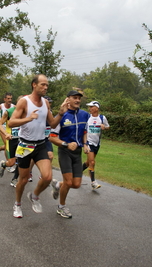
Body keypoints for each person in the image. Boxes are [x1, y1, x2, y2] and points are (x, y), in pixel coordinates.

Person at [8, 74, 67, 218]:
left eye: (47, 85)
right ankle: (17, 204)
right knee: (23, 179)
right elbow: (11, 123)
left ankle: (34, 196)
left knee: (47, 177)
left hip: (40, 144)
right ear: (34, 85)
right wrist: (29, 118)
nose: (46, 87)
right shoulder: (24, 102)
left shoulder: (46, 103)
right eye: (43, 85)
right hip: (25, 145)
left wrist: (60, 114)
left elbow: (52, 124)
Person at [50, 90, 90, 219]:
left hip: (77, 153)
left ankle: (58, 185)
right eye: (74, 98)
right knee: (68, 181)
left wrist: (85, 144)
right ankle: (61, 207)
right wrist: (66, 144)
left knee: (76, 184)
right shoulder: (62, 116)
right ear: (68, 99)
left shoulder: (85, 115)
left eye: (79, 98)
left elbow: (84, 131)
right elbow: (52, 137)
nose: (77, 100)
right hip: (65, 151)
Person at [82, 101, 110, 190]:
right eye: (89, 107)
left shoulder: (102, 117)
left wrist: (104, 127)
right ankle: (93, 182)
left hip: (97, 143)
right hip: (88, 142)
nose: (90, 109)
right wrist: (84, 143)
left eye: (91, 107)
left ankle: (77, 173)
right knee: (92, 162)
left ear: (96, 108)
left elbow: (108, 127)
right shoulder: (87, 117)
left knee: (88, 163)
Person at [0, 95, 23, 187]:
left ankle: (14, 179)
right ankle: (4, 164)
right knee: (11, 162)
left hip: (23, 141)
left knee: (21, 161)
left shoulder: (27, 113)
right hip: (12, 140)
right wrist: (6, 133)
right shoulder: (9, 112)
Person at [0, 93, 14, 159]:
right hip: (2, 127)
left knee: (9, 145)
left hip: (10, 128)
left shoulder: (14, 107)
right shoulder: (0, 107)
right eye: (8, 98)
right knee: (7, 144)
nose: (10, 100)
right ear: (4, 99)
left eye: (11, 98)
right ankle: (9, 163)